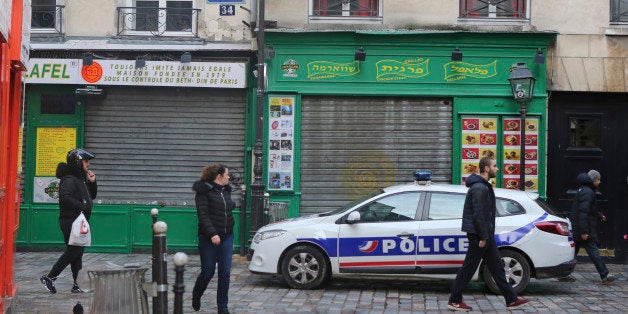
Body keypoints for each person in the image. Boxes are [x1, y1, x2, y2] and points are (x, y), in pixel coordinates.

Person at [448, 157, 529, 311]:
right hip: (479, 234)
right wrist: (483, 237)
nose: (497, 169)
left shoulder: (482, 186)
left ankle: (511, 299)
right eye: (494, 166)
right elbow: (479, 215)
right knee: (469, 267)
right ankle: (454, 300)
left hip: (484, 233)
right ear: (486, 168)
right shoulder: (479, 188)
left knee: (497, 266)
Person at [40, 149, 97, 294]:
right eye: (86, 161)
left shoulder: (79, 178)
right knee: (75, 251)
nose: (88, 164)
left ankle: (77, 285)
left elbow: (92, 196)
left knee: (77, 253)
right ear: (78, 161)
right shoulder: (69, 179)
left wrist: (92, 182)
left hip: (78, 221)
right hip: (71, 221)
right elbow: (65, 198)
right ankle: (50, 277)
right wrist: (82, 206)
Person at [191, 164, 236, 313]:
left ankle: (222, 307)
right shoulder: (203, 192)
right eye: (227, 175)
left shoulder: (225, 190)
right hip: (208, 238)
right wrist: (212, 234)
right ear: (219, 176)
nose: (229, 177)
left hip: (227, 236)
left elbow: (228, 207)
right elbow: (203, 215)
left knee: (225, 273)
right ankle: (196, 295)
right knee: (208, 271)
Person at [569, 170, 616, 283]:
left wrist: (599, 215)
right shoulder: (588, 192)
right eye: (598, 180)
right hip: (584, 229)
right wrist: (584, 231)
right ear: (593, 180)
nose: (599, 182)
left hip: (578, 227)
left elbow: (588, 209)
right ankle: (605, 275)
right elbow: (583, 212)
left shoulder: (584, 190)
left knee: (572, 253)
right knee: (594, 252)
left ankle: (563, 274)